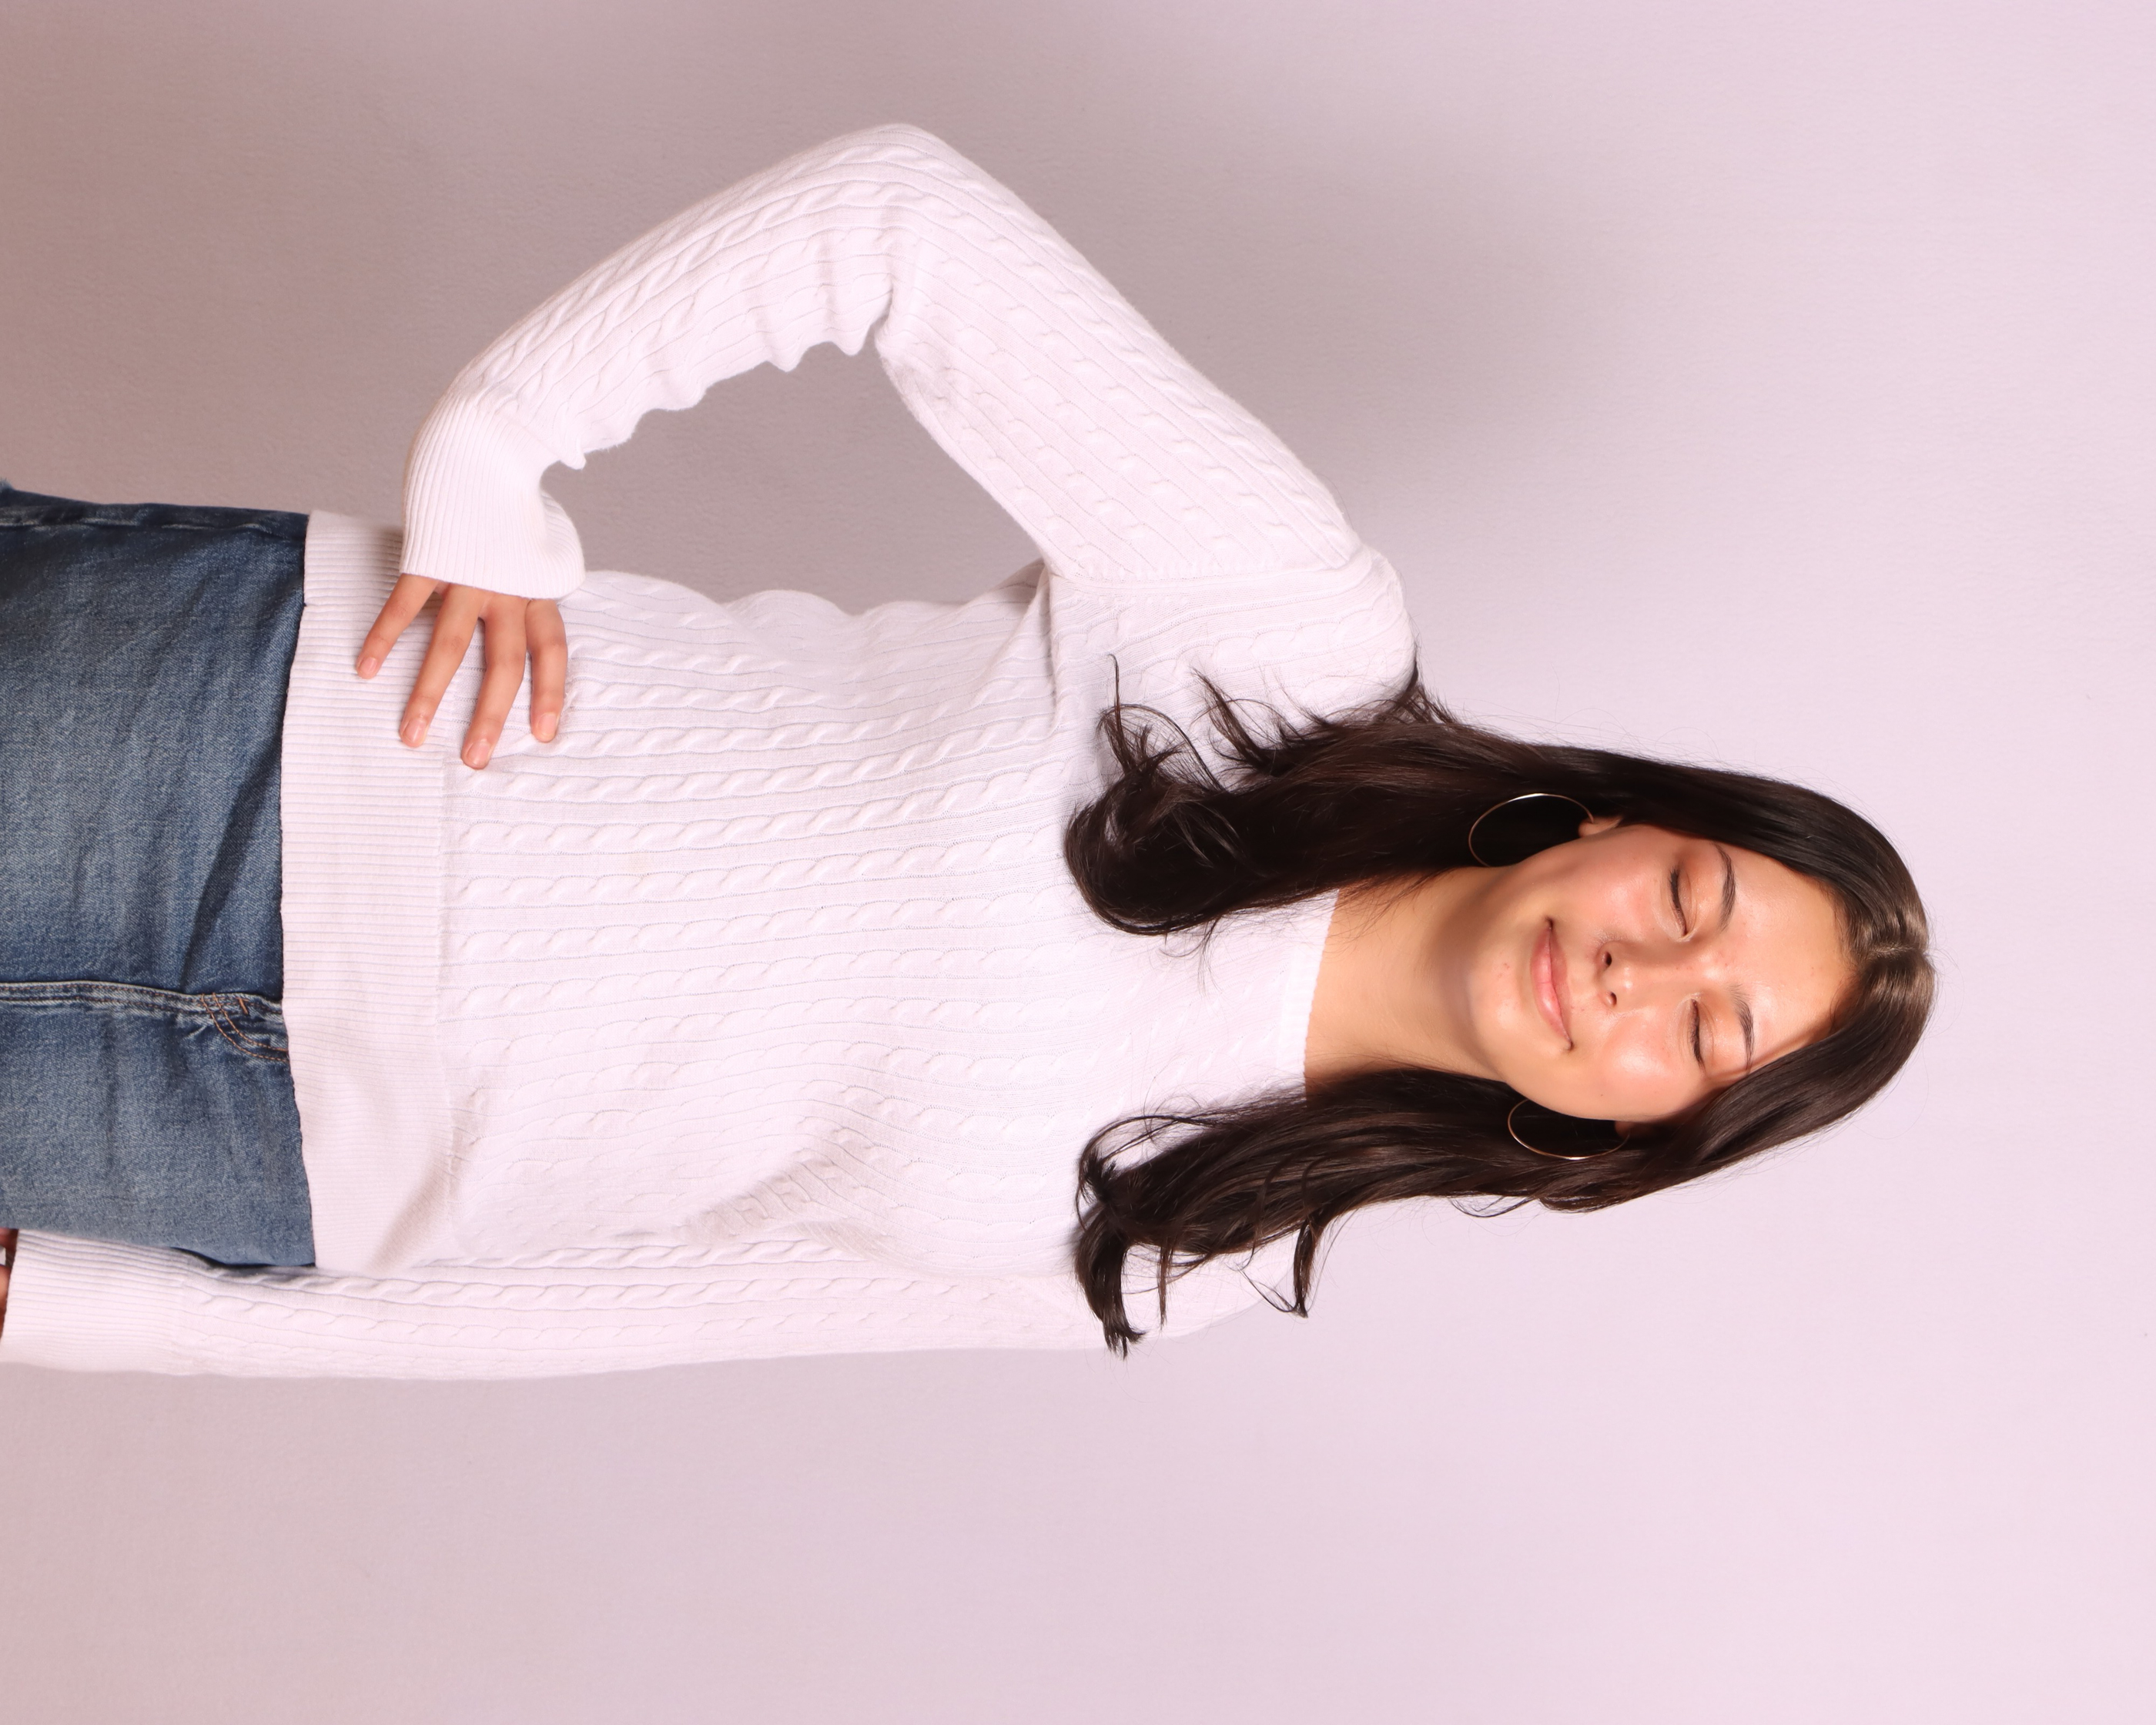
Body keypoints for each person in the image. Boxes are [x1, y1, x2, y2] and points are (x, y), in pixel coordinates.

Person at [0, 126, 1932, 1377]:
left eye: (1702, 1033)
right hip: (240, 750)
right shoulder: (1292, 648)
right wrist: (501, 445)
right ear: (1610, 821)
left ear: (1639, 1134)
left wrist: (66, 1304)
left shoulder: (1201, 1240)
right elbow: (904, 227)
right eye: (1691, 897)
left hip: (249, 1149)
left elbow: (628, 1299)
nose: (1639, 974)